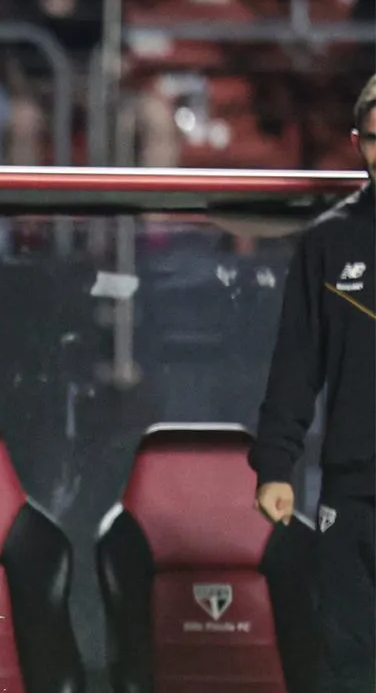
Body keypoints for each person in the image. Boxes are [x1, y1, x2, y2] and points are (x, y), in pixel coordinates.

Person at [249, 76, 375, 693]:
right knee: (345, 661)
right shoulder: (330, 241)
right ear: (358, 142)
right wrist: (276, 466)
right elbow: (296, 363)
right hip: (350, 492)